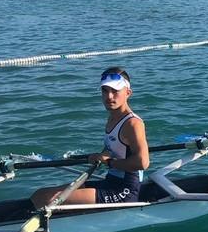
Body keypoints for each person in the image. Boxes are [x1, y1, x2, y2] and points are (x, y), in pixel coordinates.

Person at [30, 67, 150, 207]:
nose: (109, 96)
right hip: (110, 182)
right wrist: (100, 155)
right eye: (105, 90)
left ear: (128, 93)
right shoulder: (113, 118)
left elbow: (142, 163)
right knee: (39, 194)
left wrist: (109, 162)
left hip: (124, 191)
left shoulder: (133, 123)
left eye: (115, 91)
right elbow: (116, 148)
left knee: (45, 199)